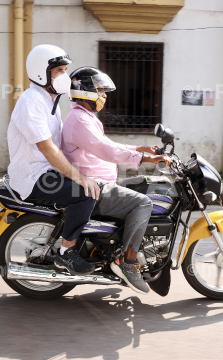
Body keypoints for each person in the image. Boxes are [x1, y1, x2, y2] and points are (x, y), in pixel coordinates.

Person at [61, 66, 172, 294]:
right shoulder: (80, 120)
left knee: (148, 185)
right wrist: (147, 158)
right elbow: (105, 150)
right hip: (94, 187)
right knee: (143, 203)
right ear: (87, 91)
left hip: (103, 184)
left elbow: (108, 145)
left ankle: (124, 245)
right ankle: (128, 261)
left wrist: (140, 148)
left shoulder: (85, 118)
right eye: (101, 91)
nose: (104, 96)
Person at [7, 45, 100, 276]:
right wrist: (79, 177)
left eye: (64, 70)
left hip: (46, 170)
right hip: (33, 176)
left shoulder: (51, 101)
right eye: (58, 70)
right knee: (85, 193)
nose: (64, 76)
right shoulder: (31, 102)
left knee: (96, 185)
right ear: (42, 72)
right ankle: (66, 255)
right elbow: (48, 149)